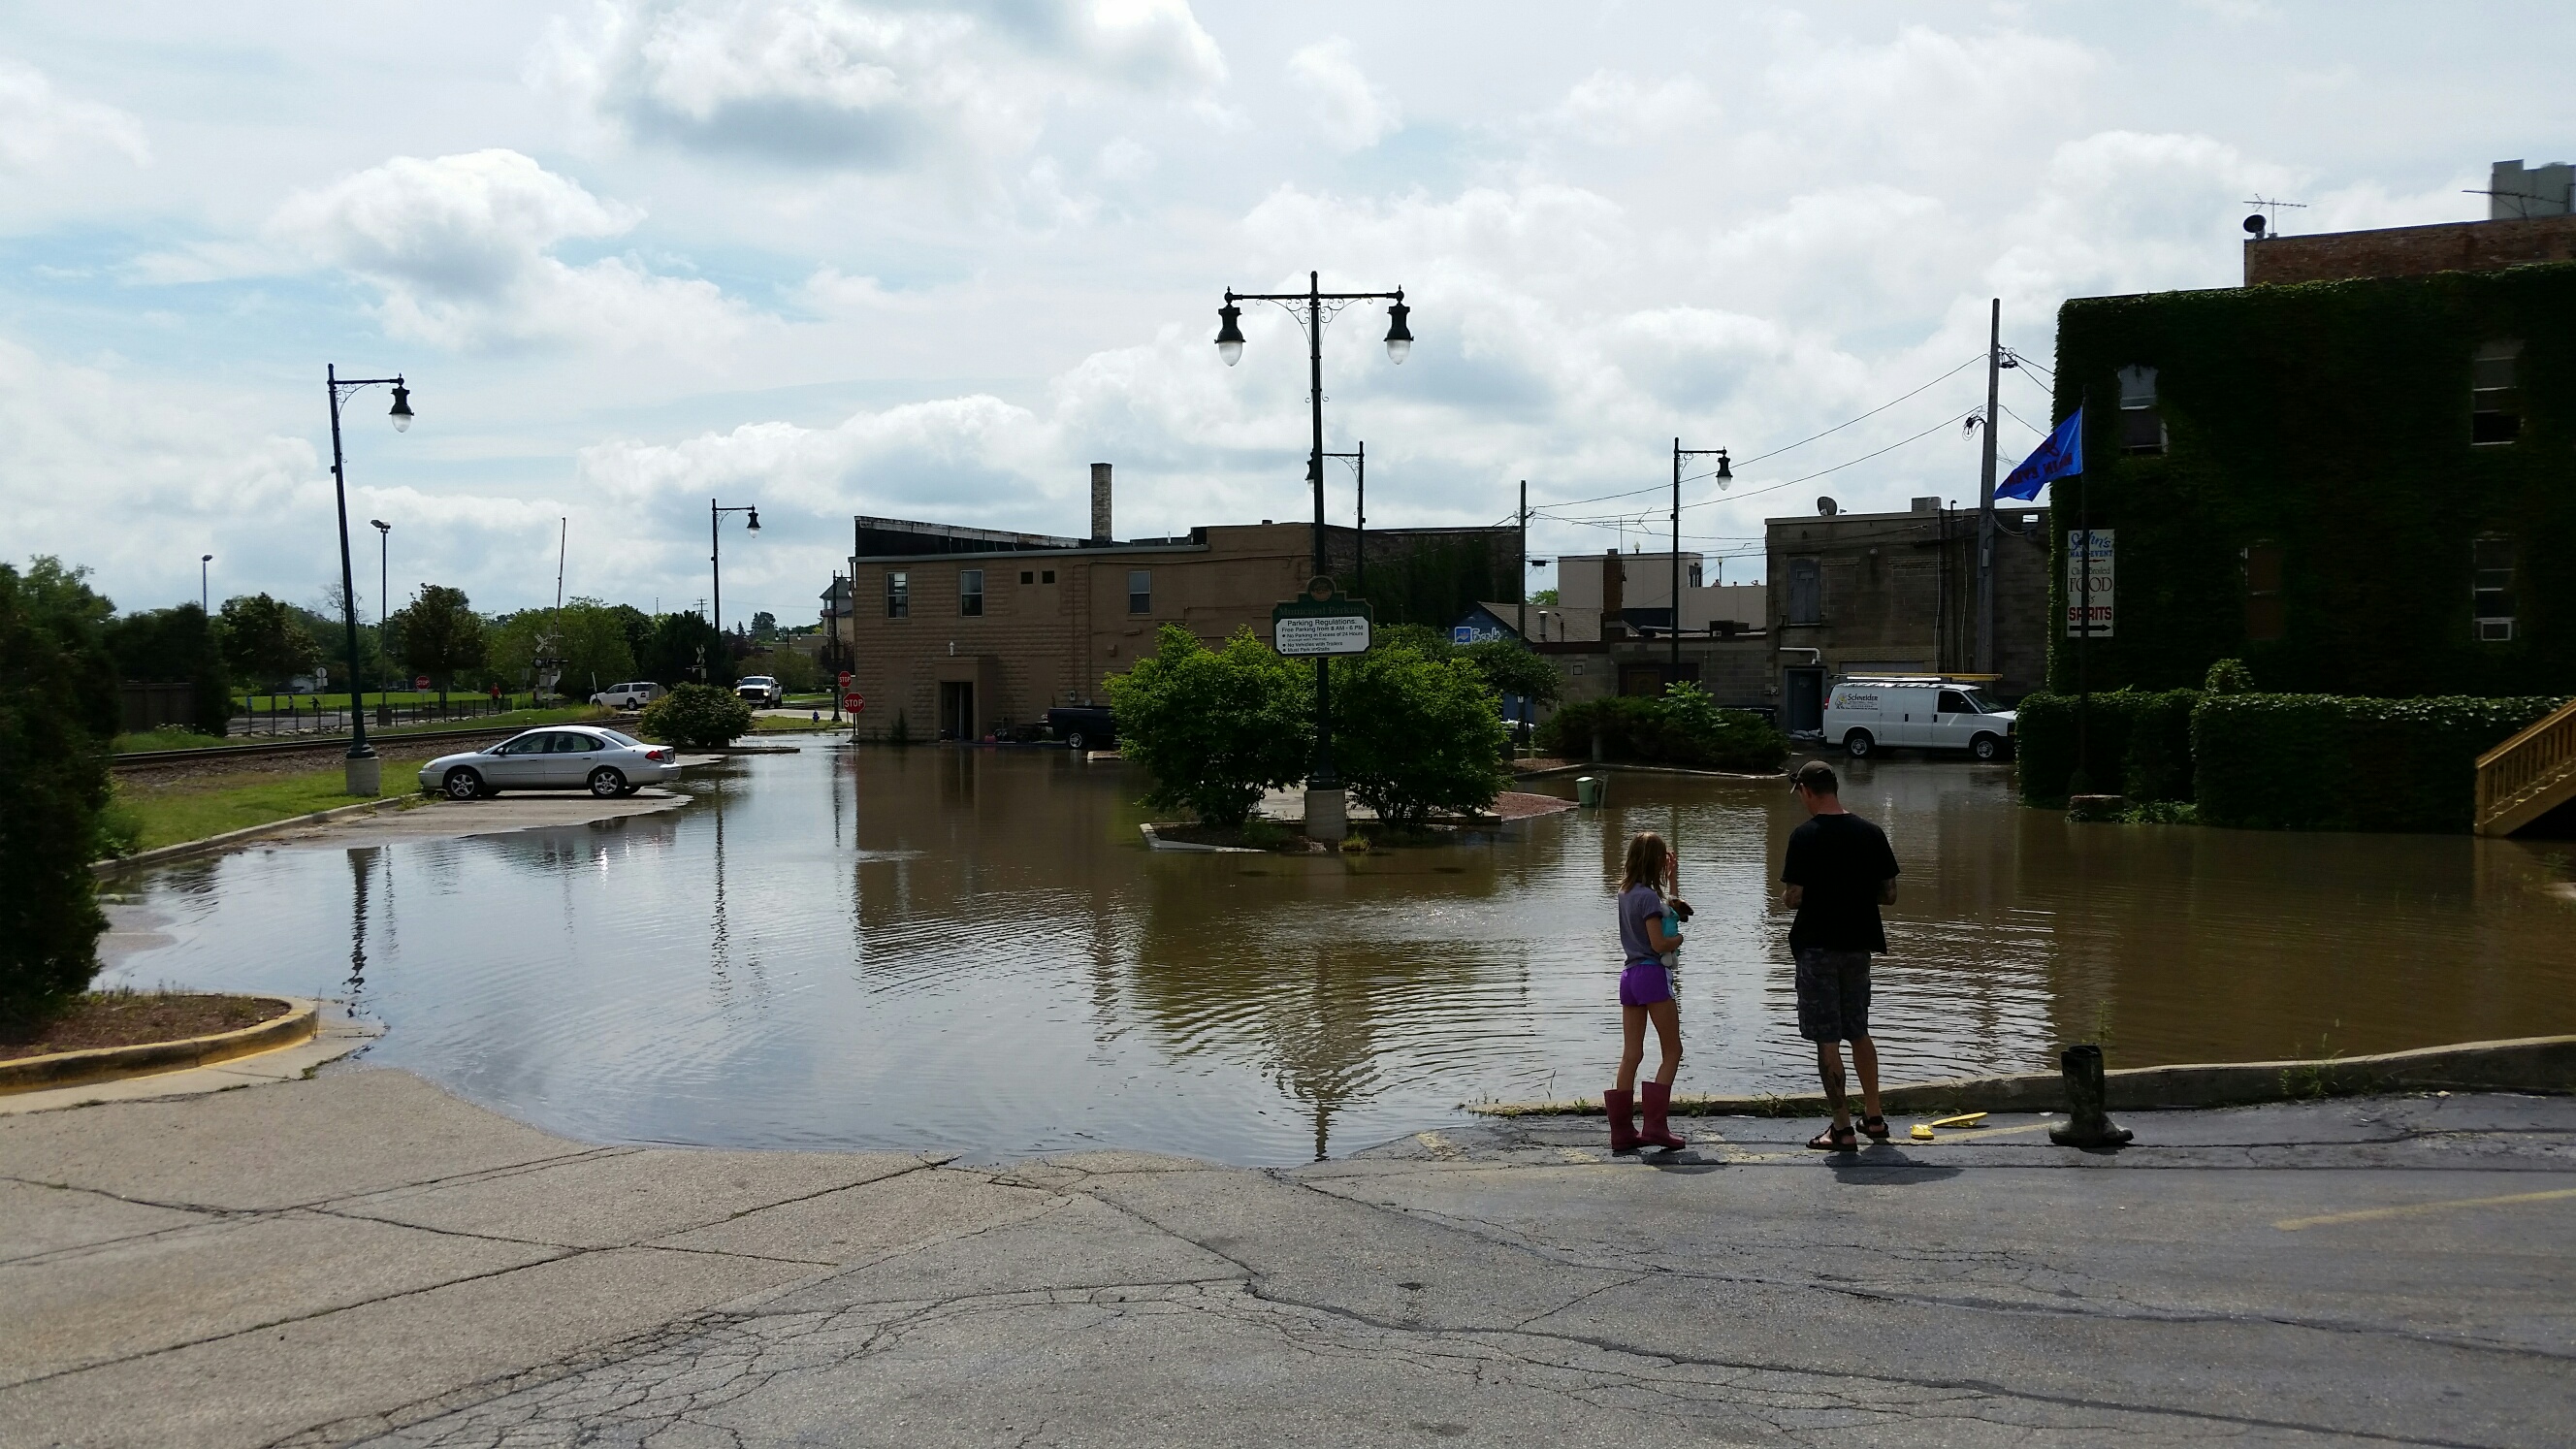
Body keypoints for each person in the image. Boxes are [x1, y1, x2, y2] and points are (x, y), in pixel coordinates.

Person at [1779, 759, 1900, 1151]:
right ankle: (1875, 1118)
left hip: (1817, 947)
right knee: (1859, 1030)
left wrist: (1800, 894)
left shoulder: (1805, 836)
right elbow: (1890, 894)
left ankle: (1842, 1128)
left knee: (1827, 1039)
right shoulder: (1872, 832)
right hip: (1859, 945)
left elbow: (1793, 897)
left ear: (1807, 791)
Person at [1607, 831, 1690, 1153]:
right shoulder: (1647, 899)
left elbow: (1671, 911)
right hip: (1652, 975)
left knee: (1632, 1054)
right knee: (1673, 1051)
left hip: (1628, 976)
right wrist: (1678, 942)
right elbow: (1660, 942)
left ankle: (1622, 1132)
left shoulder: (1626, 893)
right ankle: (1655, 1126)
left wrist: (1673, 882)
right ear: (1655, 861)